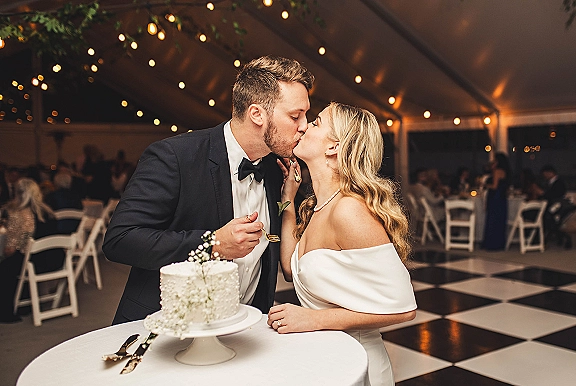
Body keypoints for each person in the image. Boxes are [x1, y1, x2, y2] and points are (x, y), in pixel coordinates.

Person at [102, 55, 314, 324]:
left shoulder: (277, 169)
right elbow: (120, 240)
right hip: (168, 326)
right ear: (257, 114)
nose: (304, 126)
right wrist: (212, 244)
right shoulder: (175, 157)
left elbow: (277, 251)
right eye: (295, 116)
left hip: (245, 329)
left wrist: (287, 203)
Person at [267, 102, 417, 386]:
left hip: (360, 364)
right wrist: (288, 200)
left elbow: (403, 308)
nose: (305, 126)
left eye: (317, 122)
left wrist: (312, 320)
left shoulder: (349, 210)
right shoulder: (318, 207)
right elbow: (290, 268)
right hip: (327, 359)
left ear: (333, 147)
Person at [0, 178, 58, 323]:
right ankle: (25, 304)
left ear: (17, 193)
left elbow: (10, 249)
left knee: (6, 265)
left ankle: (5, 311)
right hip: (55, 259)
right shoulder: (48, 212)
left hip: (34, 263)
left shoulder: (18, 213)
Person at [482, 152, 511, 250]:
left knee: (492, 219)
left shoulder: (497, 171)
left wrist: (484, 185)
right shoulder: (505, 172)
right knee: (499, 220)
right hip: (502, 197)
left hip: (495, 197)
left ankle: (491, 243)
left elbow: (494, 186)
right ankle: (499, 243)